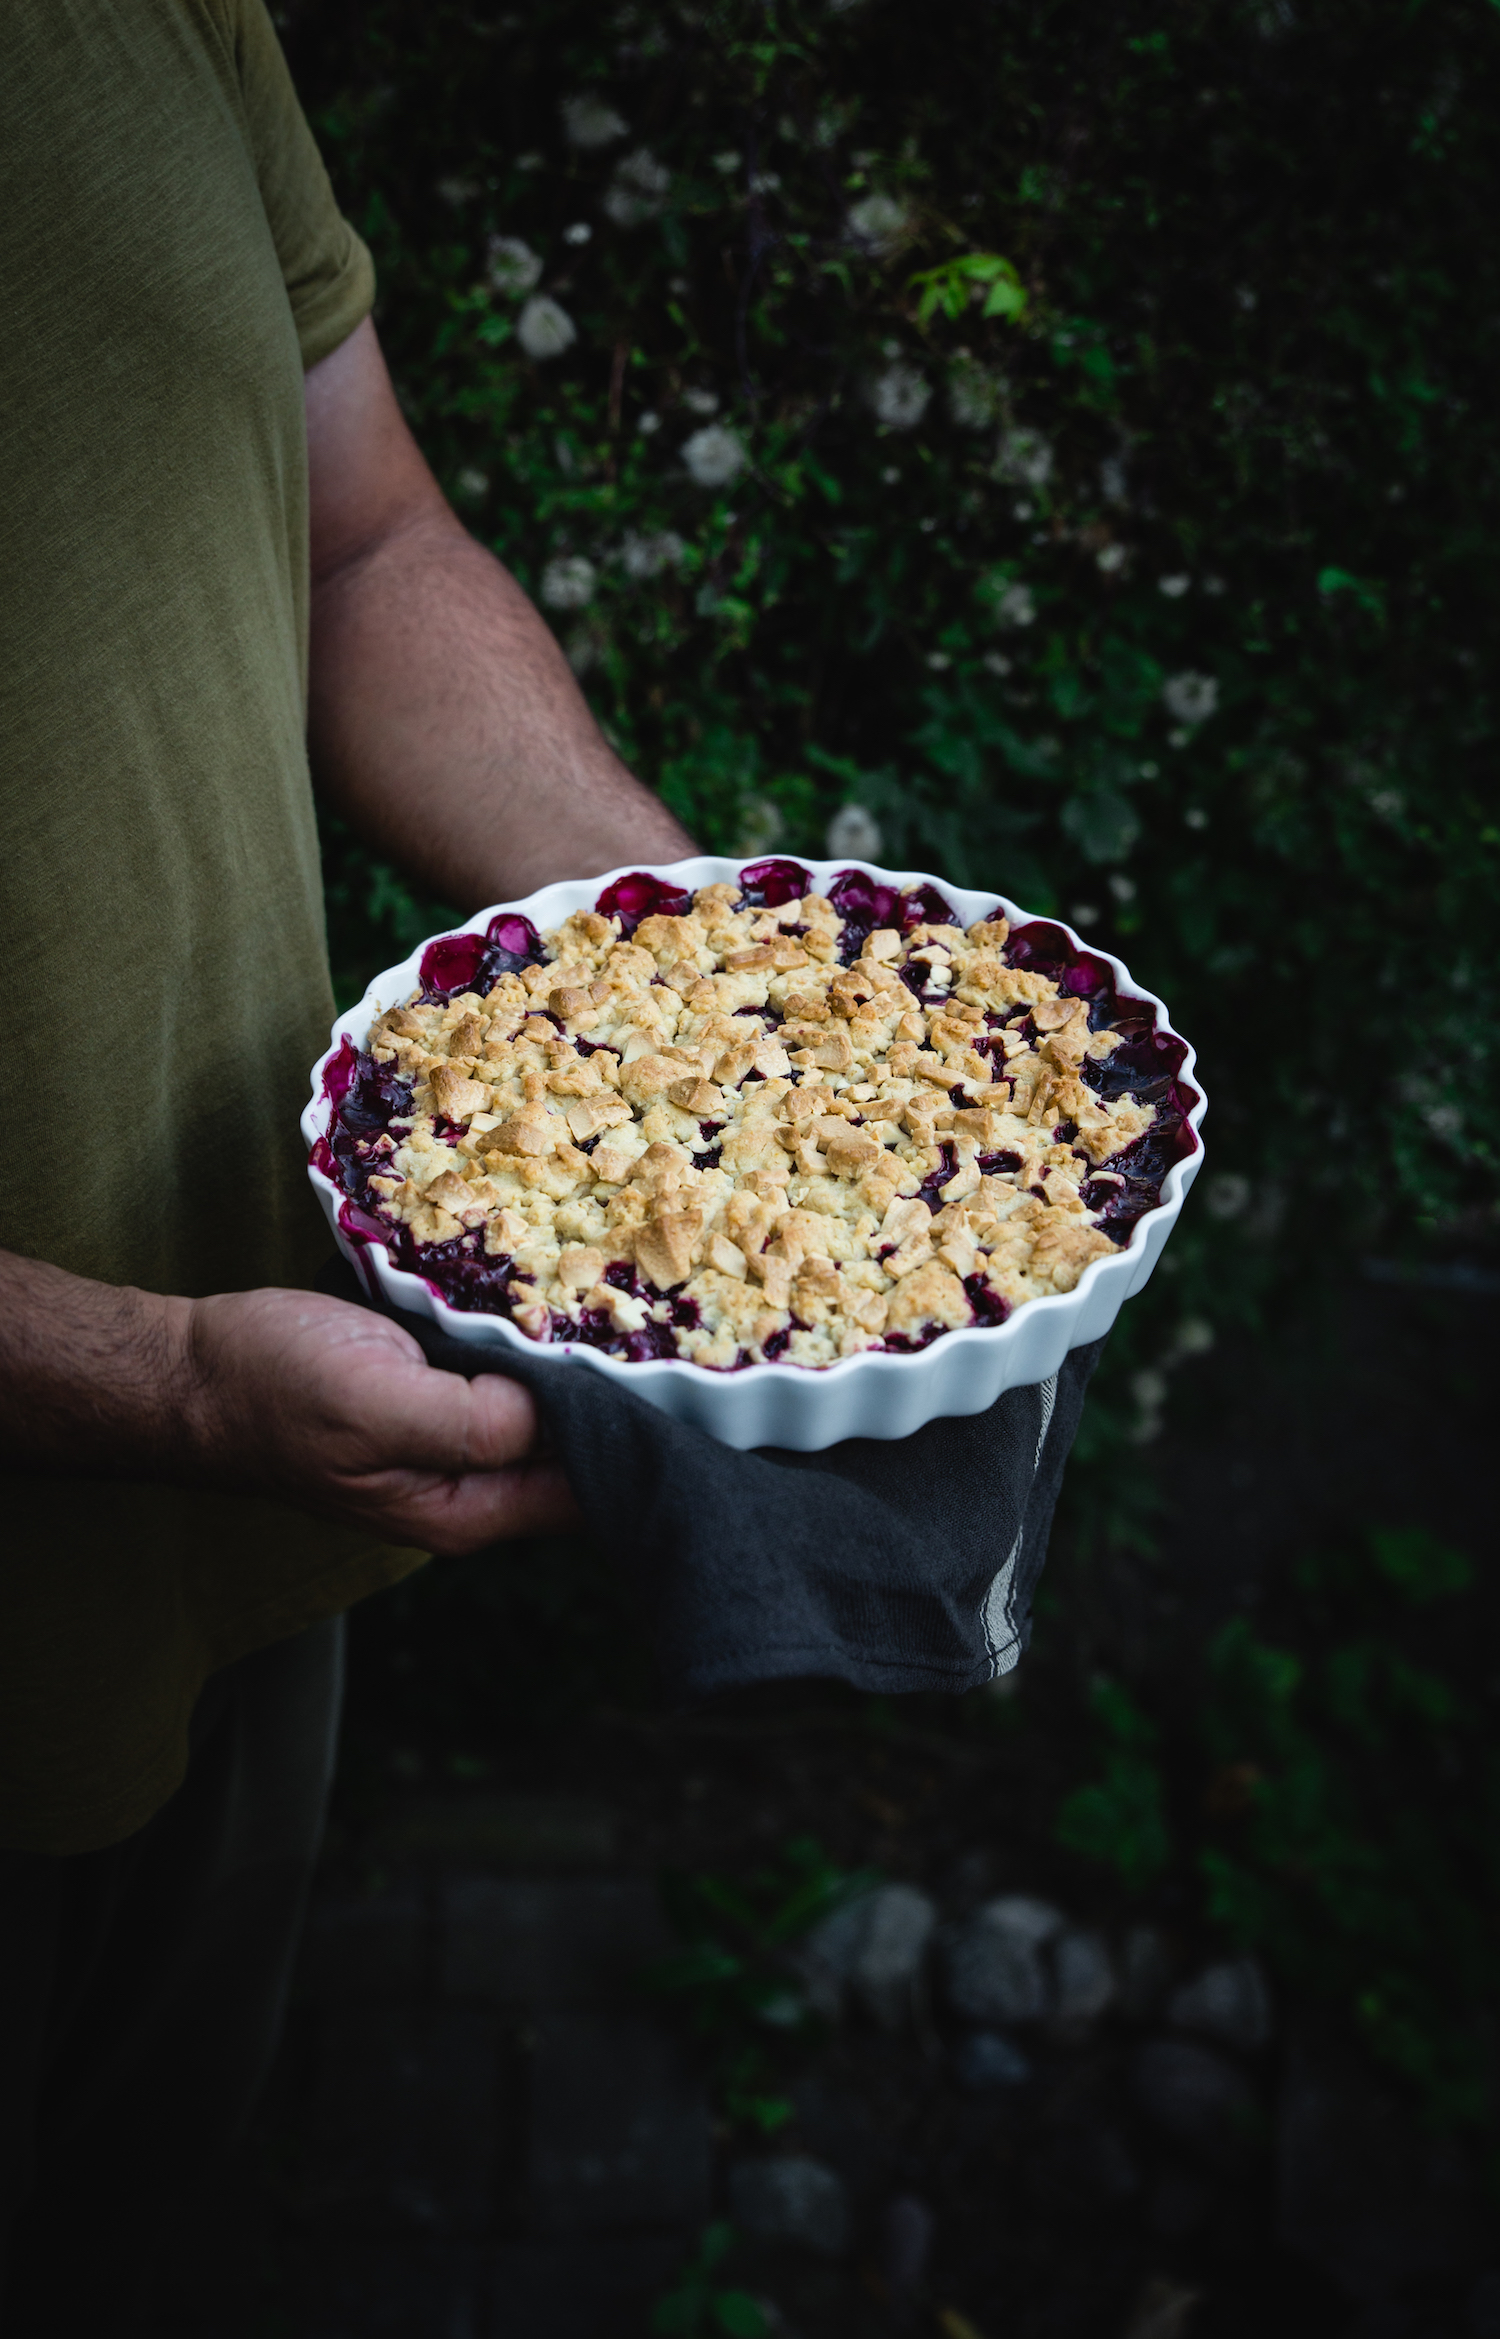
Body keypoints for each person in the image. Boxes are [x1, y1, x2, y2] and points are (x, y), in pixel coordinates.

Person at [0, 2, 692, 2322]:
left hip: (240, 1524)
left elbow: (361, 541)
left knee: (143, 2231)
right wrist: (158, 1379)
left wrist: (697, 973)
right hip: (179, 1418)